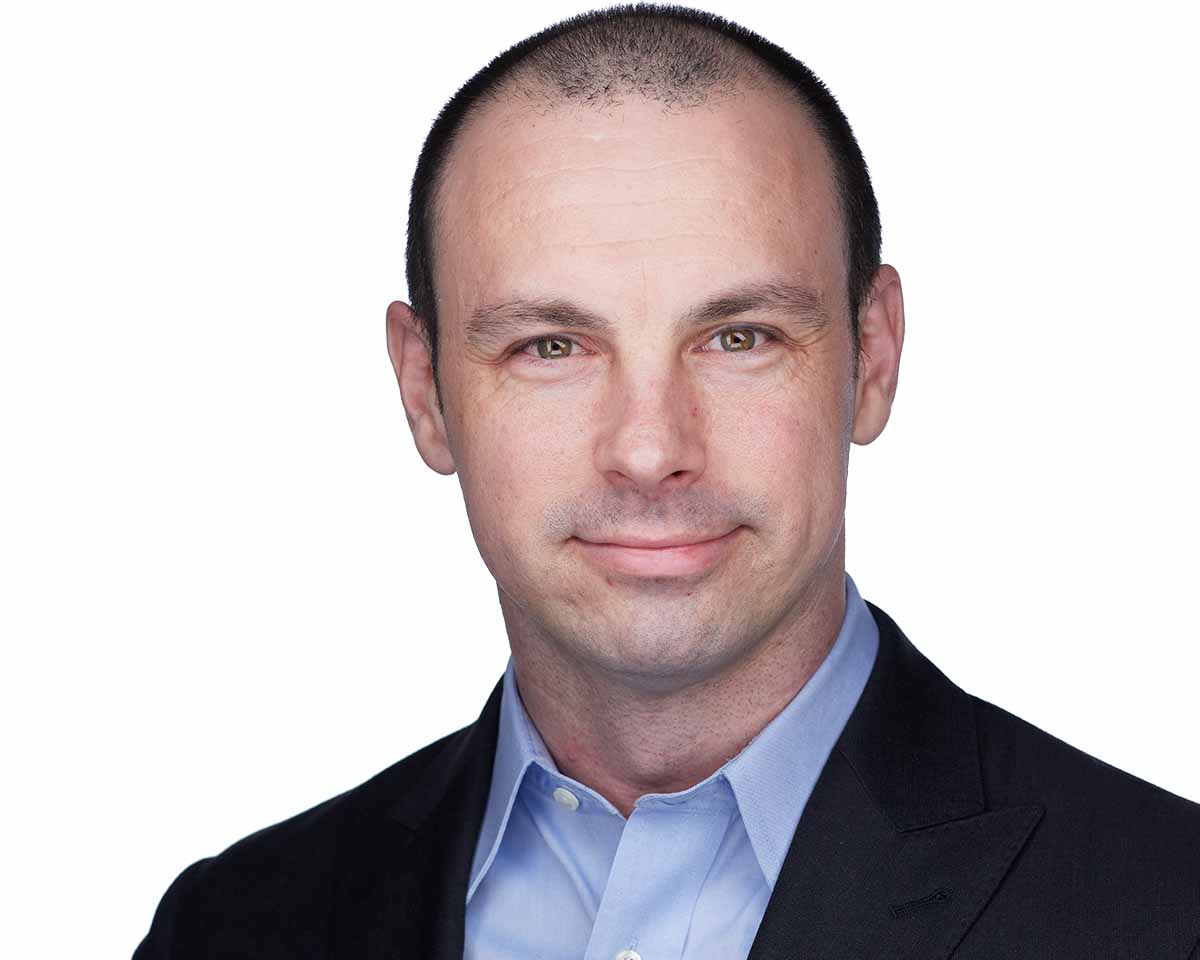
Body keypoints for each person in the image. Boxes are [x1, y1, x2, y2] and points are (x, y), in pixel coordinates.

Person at [133, 4, 1200, 958]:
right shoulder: (230, 928)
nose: (649, 450)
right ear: (424, 390)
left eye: (738, 337)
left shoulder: (1169, 911)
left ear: (872, 359)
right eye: (552, 346)